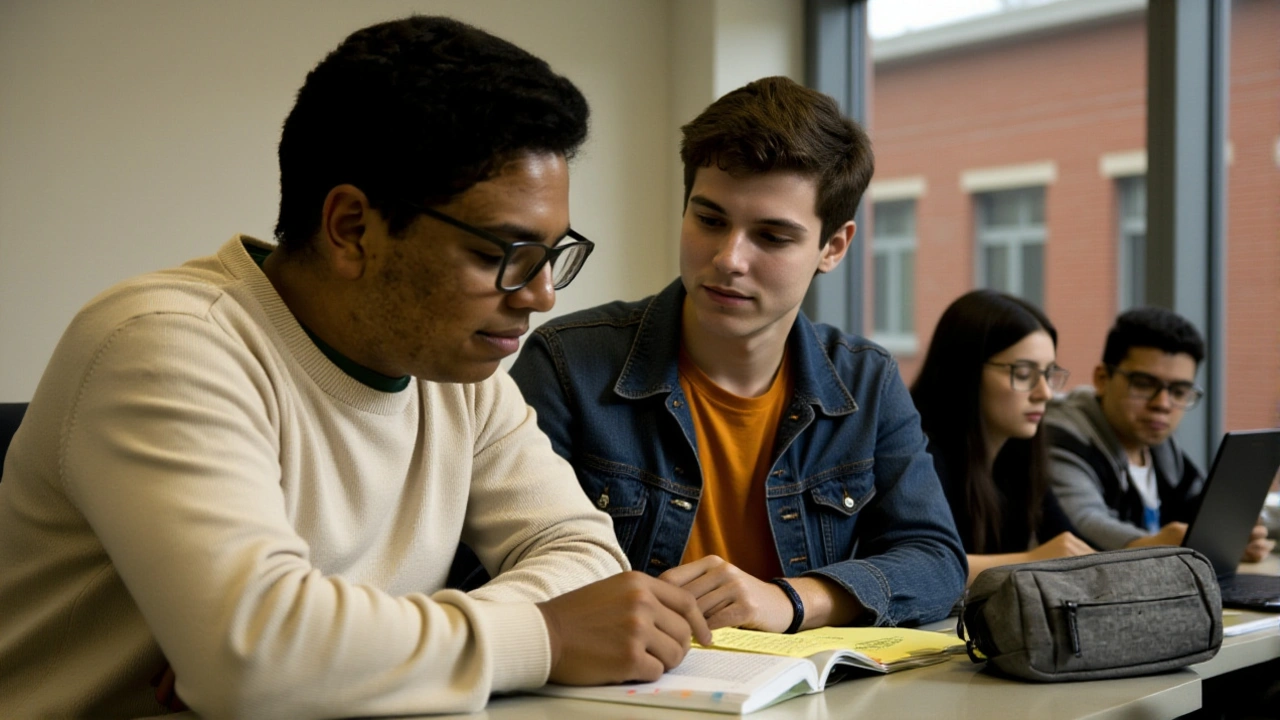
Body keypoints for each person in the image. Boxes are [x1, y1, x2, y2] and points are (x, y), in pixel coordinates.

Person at [0, 16, 710, 719]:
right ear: (351, 228)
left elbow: (583, 553)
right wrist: (545, 634)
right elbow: (257, 659)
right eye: (501, 253)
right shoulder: (163, 347)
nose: (541, 294)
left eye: (552, 254)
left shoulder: (461, 373)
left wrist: (335, 655)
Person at [502, 76, 967, 633]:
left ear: (833, 248)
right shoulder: (567, 363)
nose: (729, 258)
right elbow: (495, 561)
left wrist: (794, 600)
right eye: (710, 219)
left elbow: (937, 561)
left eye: (772, 237)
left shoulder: (865, 380)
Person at [1044, 307, 1272, 559]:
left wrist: (1232, 540)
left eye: (1178, 391)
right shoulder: (1061, 435)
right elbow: (1082, 523)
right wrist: (1151, 545)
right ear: (1102, 378)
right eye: (1143, 384)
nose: (1162, 404)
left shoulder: (1159, 445)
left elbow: (1199, 508)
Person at [910, 290, 1093, 584]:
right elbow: (917, 566)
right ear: (965, 371)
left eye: (1048, 374)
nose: (1045, 393)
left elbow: (1072, 546)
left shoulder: (1019, 455)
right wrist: (1032, 560)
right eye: (1023, 374)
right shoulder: (918, 454)